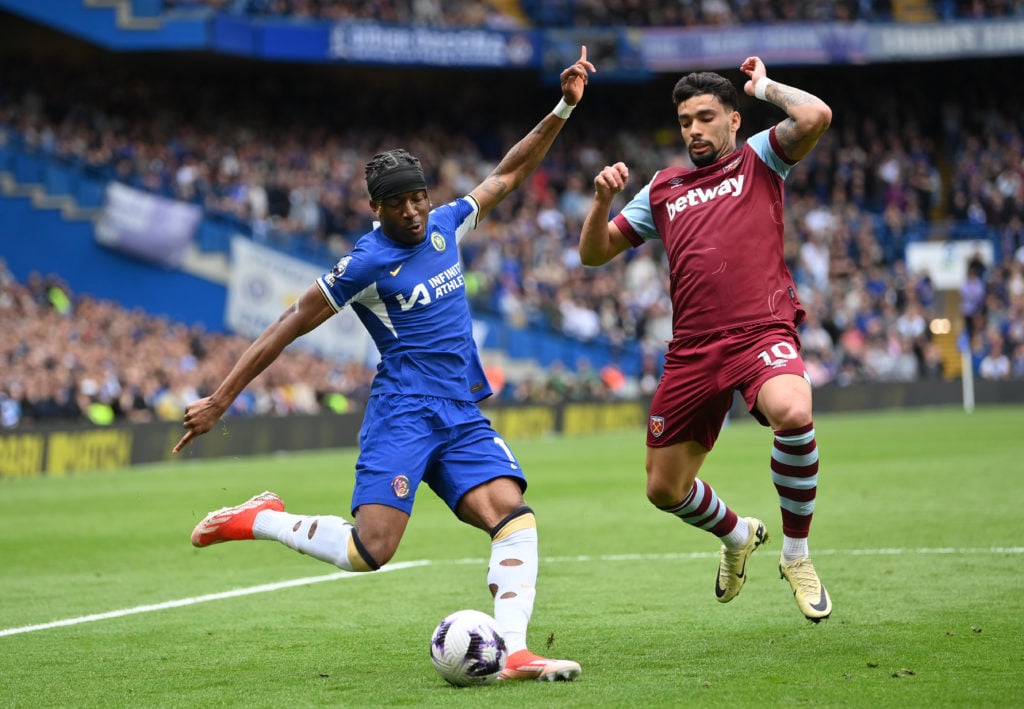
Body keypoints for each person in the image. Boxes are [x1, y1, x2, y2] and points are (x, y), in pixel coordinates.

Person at [174, 48, 596, 679]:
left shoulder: (445, 225)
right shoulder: (365, 264)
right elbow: (288, 324)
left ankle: (514, 652)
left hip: (459, 409)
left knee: (513, 517)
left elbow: (510, 172)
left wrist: (563, 106)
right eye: (399, 203)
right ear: (377, 207)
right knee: (370, 550)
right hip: (403, 412)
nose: (413, 210)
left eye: (419, 197)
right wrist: (220, 399)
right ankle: (259, 518)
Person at [578, 56, 834, 622]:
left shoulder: (761, 157)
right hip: (692, 349)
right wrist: (601, 202)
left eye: (704, 117)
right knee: (664, 489)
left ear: (734, 121)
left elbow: (815, 116)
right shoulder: (663, 188)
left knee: (793, 410)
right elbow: (594, 254)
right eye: (685, 120)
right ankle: (738, 534)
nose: (693, 129)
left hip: (760, 330)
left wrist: (763, 85)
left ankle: (796, 555)